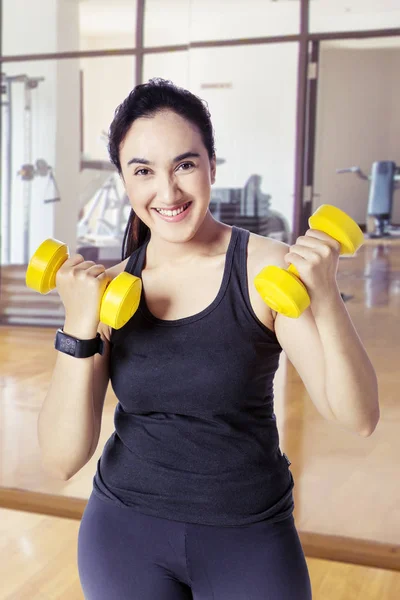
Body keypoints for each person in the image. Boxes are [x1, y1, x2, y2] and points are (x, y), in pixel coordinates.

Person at [37, 78, 379, 600]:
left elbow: (358, 417)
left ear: (212, 166)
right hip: (123, 533)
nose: (168, 192)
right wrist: (77, 325)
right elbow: (62, 459)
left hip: (248, 534)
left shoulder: (266, 268)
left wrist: (326, 295)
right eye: (144, 171)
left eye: (185, 164)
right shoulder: (112, 292)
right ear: (124, 182)